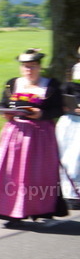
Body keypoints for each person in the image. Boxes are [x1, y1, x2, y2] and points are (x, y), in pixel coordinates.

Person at [0, 49, 65, 227]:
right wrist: (4, 113)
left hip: (40, 136)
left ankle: (38, 208)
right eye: (25, 67)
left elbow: (59, 109)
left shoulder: (51, 86)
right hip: (14, 134)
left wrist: (41, 113)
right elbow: (1, 104)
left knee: (37, 174)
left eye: (33, 66)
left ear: (39, 67)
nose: (29, 70)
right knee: (11, 173)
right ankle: (10, 210)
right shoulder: (12, 84)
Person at [55, 46, 80, 209]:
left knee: (76, 158)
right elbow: (64, 92)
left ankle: (75, 194)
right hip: (69, 120)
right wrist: (63, 105)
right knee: (65, 158)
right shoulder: (74, 72)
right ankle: (67, 193)